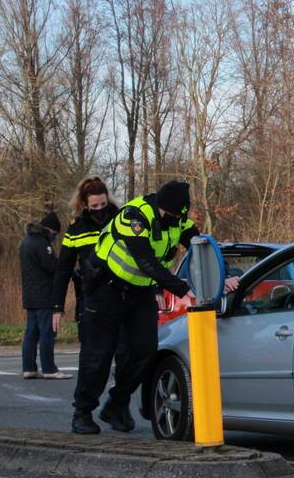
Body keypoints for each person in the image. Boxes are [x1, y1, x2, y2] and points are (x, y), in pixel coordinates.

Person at [70, 180, 237, 434]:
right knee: (98, 356)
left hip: (139, 292)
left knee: (144, 350)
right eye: (169, 215)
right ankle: (82, 412)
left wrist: (221, 278)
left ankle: (117, 403)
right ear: (161, 206)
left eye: (177, 216)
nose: (173, 220)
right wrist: (184, 289)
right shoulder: (135, 216)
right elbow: (146, 261)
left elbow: (203, 248)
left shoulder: (178, 219)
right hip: (106, 288)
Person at [51, 177, 119, 342]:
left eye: (103, 204)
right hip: (91, 297)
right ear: (85, 205)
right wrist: (57, 308)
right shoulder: (76, 229)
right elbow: (63, 269)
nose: (100, 209)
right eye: (94, 206)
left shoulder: (120, 220)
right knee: (91, 356)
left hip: (120, 296)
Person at [19, 211, 72, 380]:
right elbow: (53, 268)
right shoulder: (42, 244)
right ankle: (49, 369)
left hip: (30, 296)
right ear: (49, 230)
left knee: (31, 334)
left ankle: (29, 368)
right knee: (47, 333)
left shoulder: (25, 242)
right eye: (55, 233)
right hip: (44, 296)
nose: (55, 237)